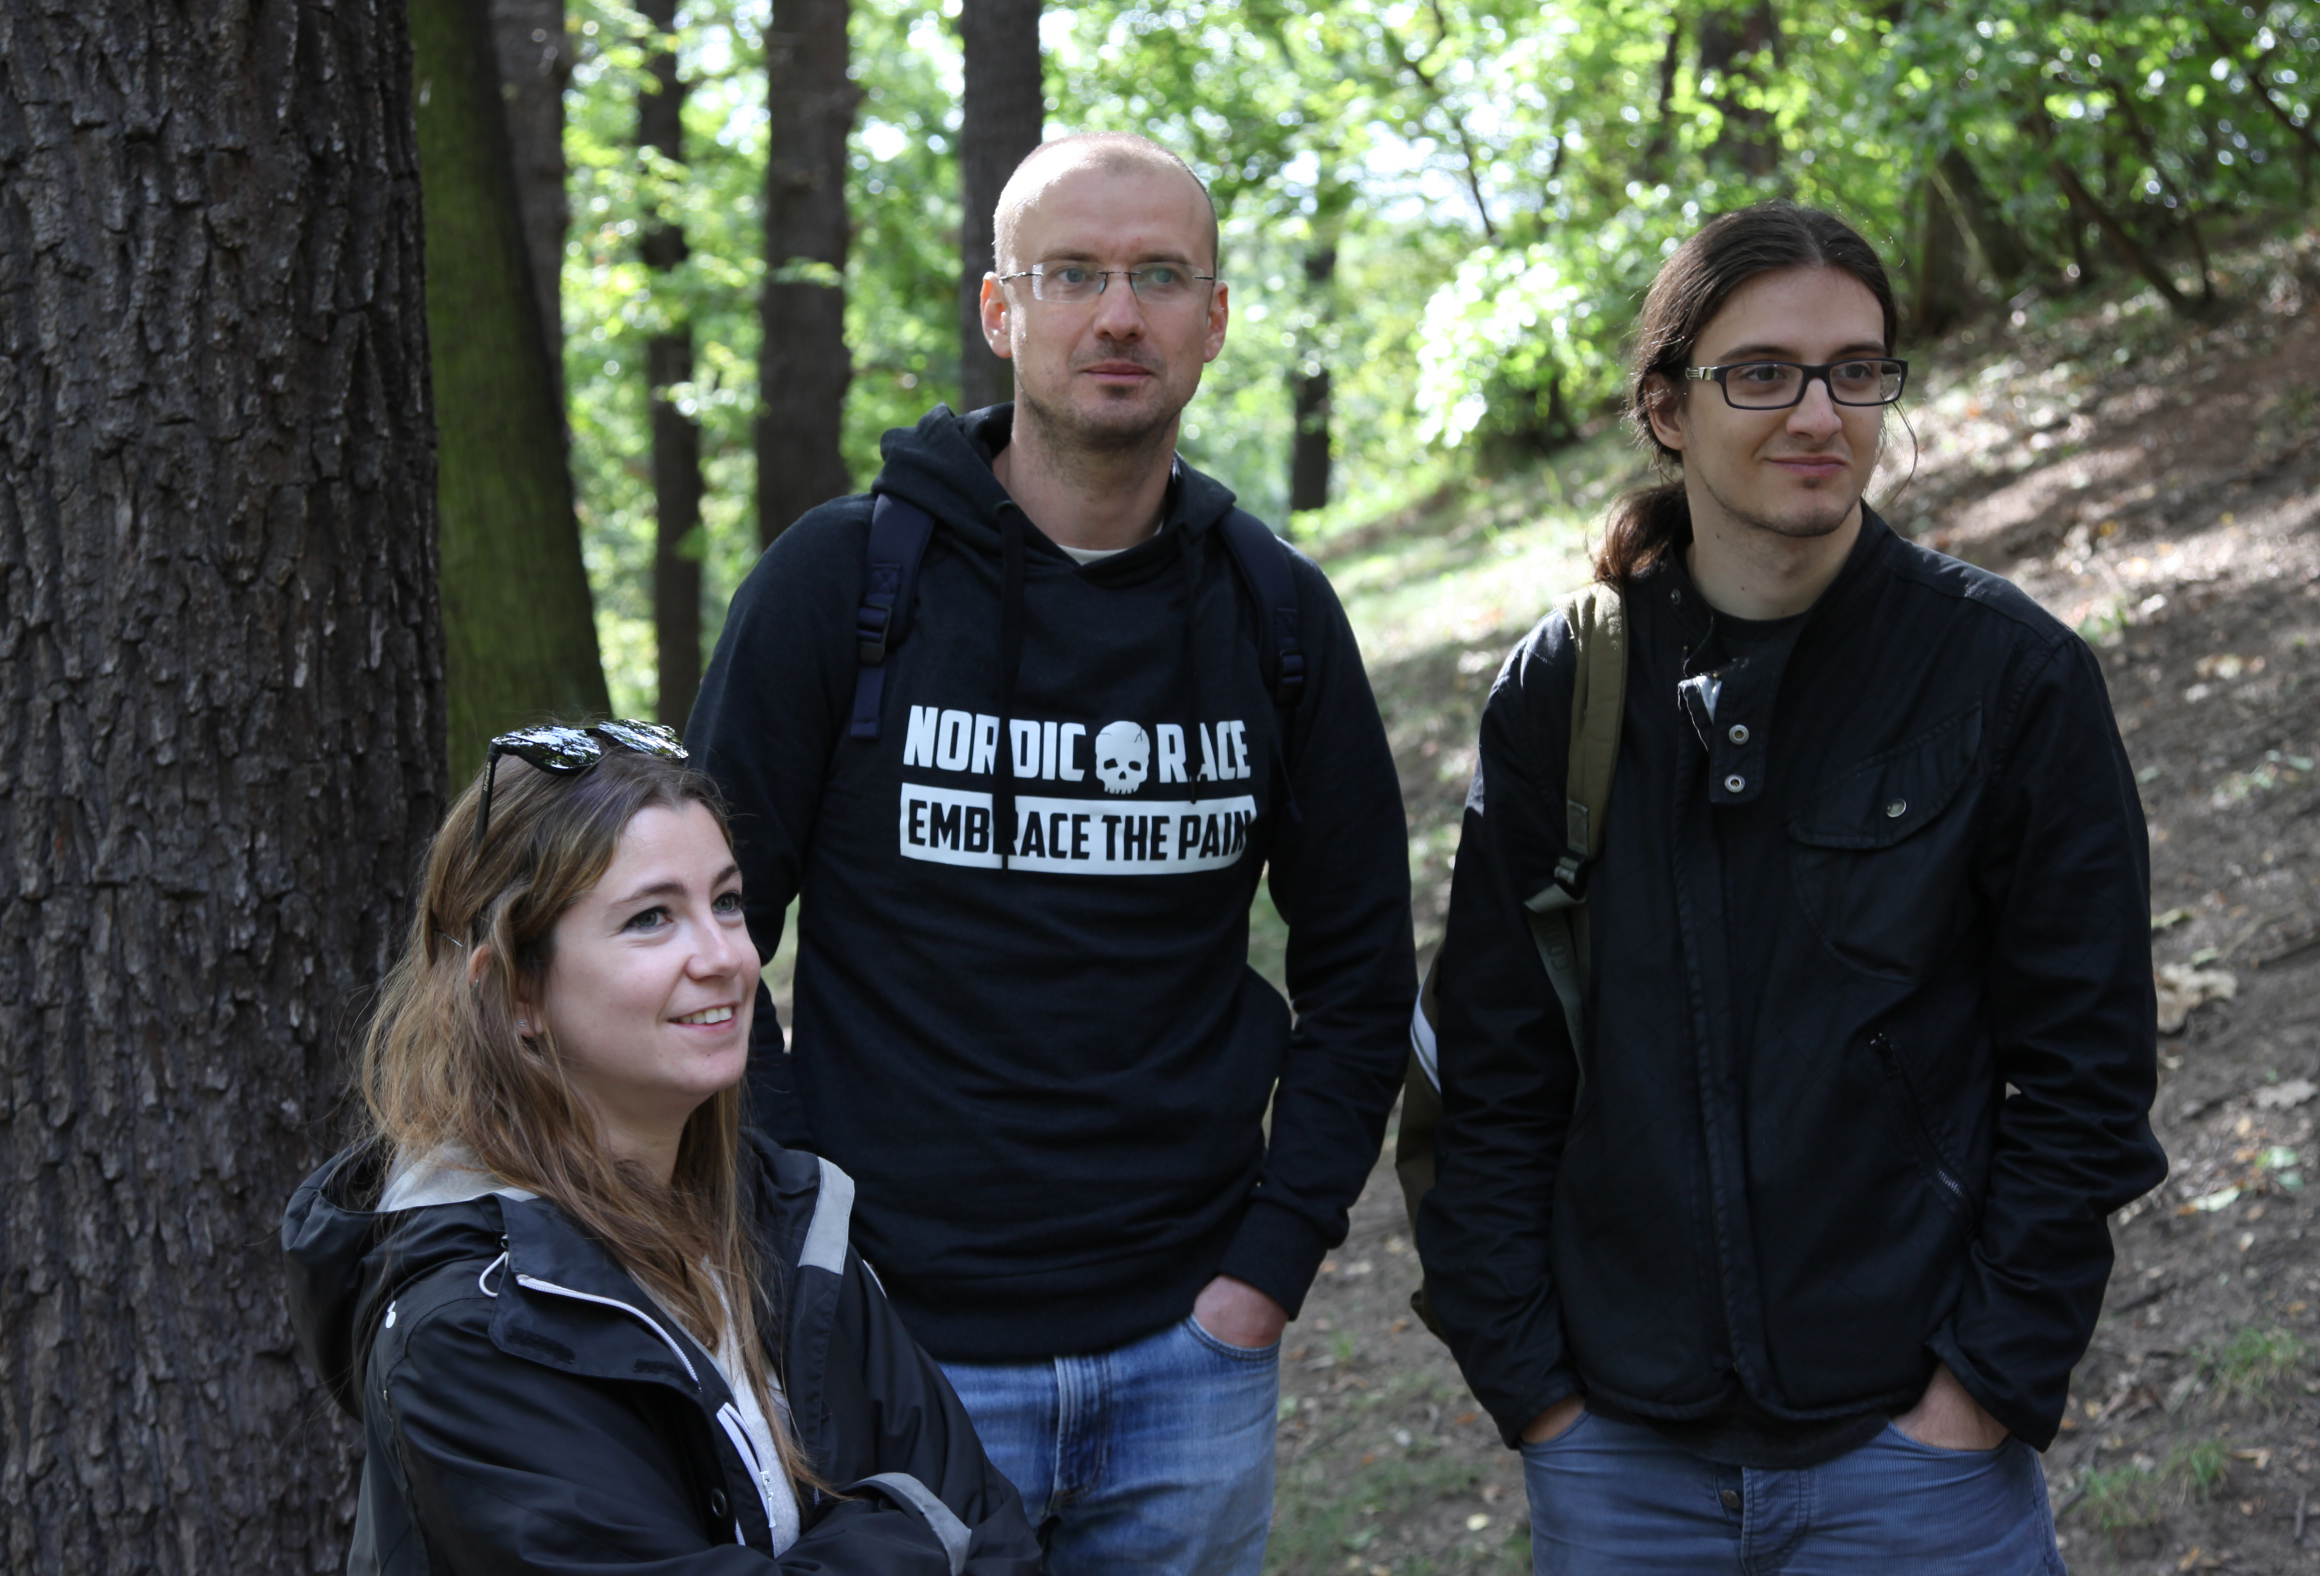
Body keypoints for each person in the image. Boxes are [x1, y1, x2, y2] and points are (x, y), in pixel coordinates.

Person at [687, 133, 1414, 1575]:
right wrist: (792, 1244)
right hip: (894, 1359)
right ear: (1000, 310)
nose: (1118, 314)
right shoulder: (842, 587)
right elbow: (692, 944)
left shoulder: (1275, 616)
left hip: (1189, 1365)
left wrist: (1268, 1271)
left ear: (1216, 316)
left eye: (1159, 276)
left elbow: (1364, 970)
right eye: (1072, 273)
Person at [1416, 201, 2167, 1572]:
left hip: (1918, 1463)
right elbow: (1491, 1071)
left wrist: (1982, 1389)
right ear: (1666, 406)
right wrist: (1541, 1399)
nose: (1819, 412)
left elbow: (2088, 1076)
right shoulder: (1563, 695)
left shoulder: (2010, 680)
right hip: (1621, 1463)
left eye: (1858, 370)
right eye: (1761, 372)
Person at [282, 722, 1042, 1574]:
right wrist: (914, 1530)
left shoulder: (783, 1216)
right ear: (515, 991)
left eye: (725, 901)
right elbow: (951, 1525)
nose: (725, 956)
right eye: (652, 918)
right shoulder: (471, 1324)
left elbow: (994, 1532)